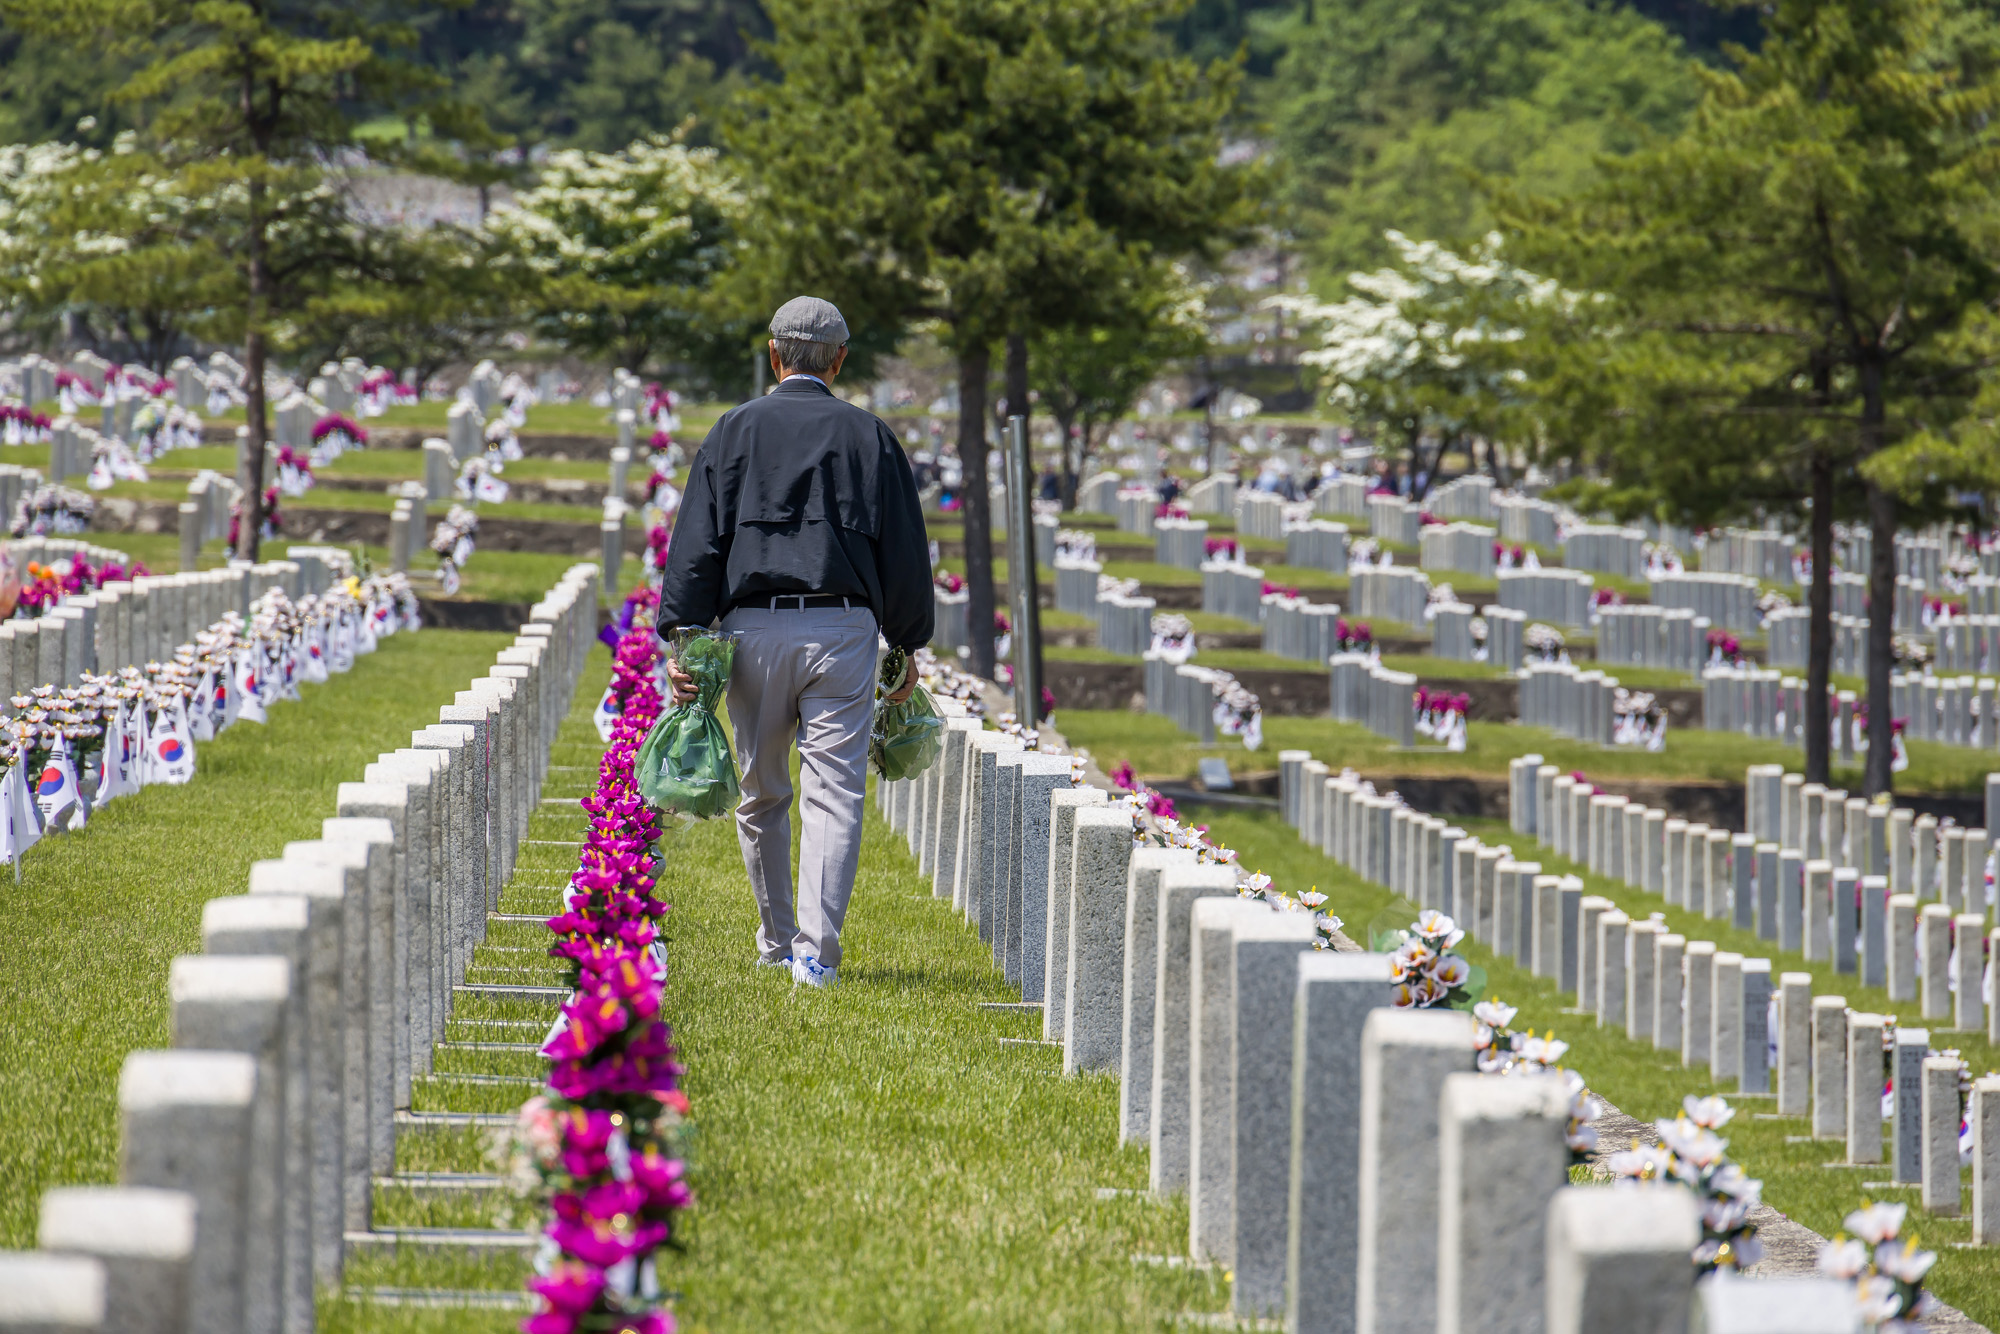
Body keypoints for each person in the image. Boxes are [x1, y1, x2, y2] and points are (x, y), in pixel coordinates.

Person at [656, 296, 934, 989]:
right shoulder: (871, 437)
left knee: (763, 791)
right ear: (840, 360)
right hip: (843, 629)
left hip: (752, 628)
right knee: (835, 793)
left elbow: (698, 542)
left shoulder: (733, 430)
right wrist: (907, 640)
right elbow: (904, 548)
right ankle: (817, 955)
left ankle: (777, 941)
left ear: (775, 353)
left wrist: (684, 637)